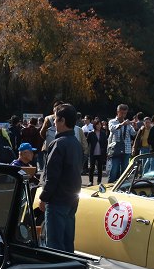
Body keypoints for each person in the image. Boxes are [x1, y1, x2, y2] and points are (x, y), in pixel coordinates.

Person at [35, 103, 81, 252]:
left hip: (57, 201)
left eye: (55, 119)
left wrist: (44, 197)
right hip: (71, 199)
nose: (54, 122)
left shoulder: (58, 144)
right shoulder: (76, 143)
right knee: (68, 243)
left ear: (62, 120)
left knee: (55, 245)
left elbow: (52, 177)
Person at [107, 104, 135, 182]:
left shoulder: (128, 123)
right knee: (114, 170)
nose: (123, 115)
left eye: (125, 113)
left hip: (126, 149)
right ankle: (110, 184)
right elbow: (112, 129)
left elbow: (133, 133)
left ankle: (123, 186)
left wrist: (134, 126)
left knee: (125, 171)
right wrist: (122, 124)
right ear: (117, 112)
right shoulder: (112, 121)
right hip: (115, 149)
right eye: (121, 113)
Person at [86, 118, 107, 185]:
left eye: (100, 124)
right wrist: (86, 151)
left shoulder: (103, 133)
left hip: (101, 153)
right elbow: (87, 143)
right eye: (97, 124)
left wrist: (105, 152)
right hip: (93, 153)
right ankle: (91, 181)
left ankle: (99, 181)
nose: (99, 126)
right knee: (91, 168)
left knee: (100, 168)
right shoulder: (91, 133)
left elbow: (105, 143)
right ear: (94, 125)